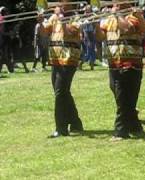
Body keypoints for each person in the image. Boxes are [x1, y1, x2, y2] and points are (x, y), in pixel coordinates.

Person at [99, 1, 145, 141]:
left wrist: (117, 14)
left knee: (123, 97)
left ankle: (121, 131)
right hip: (114, 63)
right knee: (123, 96)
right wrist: (97, 23)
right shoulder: (109, 19)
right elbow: (100, 36)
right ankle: (135, 125)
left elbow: (127, 29)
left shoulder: (134, 16)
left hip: (130, 63)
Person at [43, 4, 84, 138]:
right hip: (55, 59)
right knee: (62, 92)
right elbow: (44, 32)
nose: (58, 4)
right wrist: (40, 19)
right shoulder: (54, 17)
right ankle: (76, 123)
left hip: (69, 59)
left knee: (60, 92)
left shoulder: (76, 17)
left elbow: (69, 32)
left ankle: (61, 129)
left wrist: (61, 18)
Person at [79, 5, 96, 70]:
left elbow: (95, 25)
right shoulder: (83, 17)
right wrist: (81, 34)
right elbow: (81, 27)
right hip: (86, 34)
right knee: (87, 51)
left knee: (92, 50)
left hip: (92, 34)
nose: (88, 10)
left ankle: (92, 66)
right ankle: (80, 63)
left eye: (90, 9)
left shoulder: (93, 16)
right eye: (87, 9)